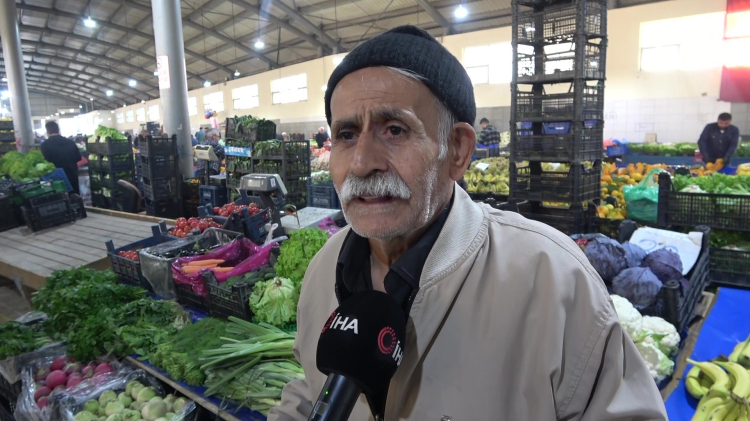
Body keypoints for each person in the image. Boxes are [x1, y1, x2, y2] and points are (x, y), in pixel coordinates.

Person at [268, 26, 666, 421]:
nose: (361, 162)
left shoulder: (551, 281)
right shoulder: (323, 270)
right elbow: (309, 390)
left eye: (394, 130)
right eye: (347, 134)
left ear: (457, 150)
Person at [41, 121, 82, 195]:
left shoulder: (44, 145)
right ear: (58, 130)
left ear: (47, 132)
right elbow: (79, 157)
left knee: (59, 199)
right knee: (75, 197)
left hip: (55, 180)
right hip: (72, 175)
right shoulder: (70, 142)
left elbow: (44, 163)